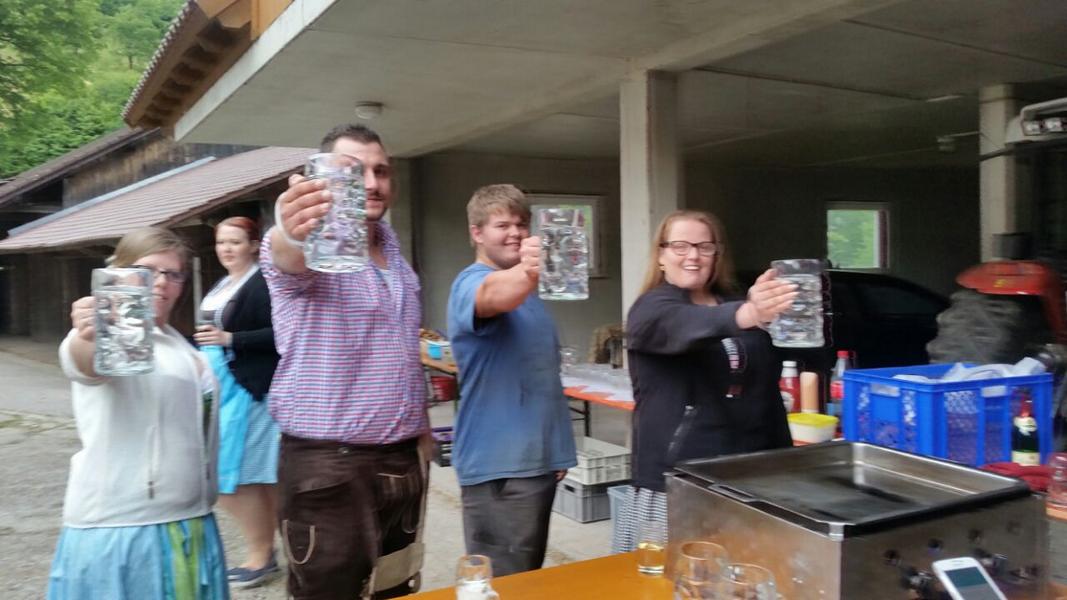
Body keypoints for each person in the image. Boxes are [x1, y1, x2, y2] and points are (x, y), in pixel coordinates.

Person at [263, 123, 428, 599]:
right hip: (327, 467)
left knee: (395, 591)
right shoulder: (316, 247)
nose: (372, 183)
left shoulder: (395, 255)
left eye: (382, 171)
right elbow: (285, 252)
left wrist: (419, 432)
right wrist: (290, 226)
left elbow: (397, 351)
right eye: (354, 172)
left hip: (400, 461)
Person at [49, 227, 227, 599]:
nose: (161, 282)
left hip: (190, 520)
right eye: (146, 271)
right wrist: (88, 335)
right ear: (118, 272)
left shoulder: (181, 345)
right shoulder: (111, 338)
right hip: (122, 527)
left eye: (173, 274)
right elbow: (84, 364)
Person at [612, 210, 797, 553]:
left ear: (717, 254)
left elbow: (766, 393)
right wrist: (748, 314)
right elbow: (684, 325)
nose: (693, 256)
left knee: (745, 570)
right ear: (661, 255)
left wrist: (783, 462)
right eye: (680, 246)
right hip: (677, 480)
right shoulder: (651, 309)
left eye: (704, 246)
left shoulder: (733, 303)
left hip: (746, 475)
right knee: (673, 574)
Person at [446, 184, 577, 576]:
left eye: (521, 224)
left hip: (533, 462)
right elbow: (491, 295)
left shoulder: (527, 293)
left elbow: (537, 374)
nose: (515, 233)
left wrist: (555, 452)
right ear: (476, 233)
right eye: (502, 225)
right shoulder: (471, 282)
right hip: (499, 468)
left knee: (526, 577)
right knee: (504, 584)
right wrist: (529, 270)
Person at [193, 216, 281, 588]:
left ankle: (261, 554)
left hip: (248, 388)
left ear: (254, 245)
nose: (226, 249)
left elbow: (282, 333)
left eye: (235, 242)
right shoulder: (223, 283)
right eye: (221, 243)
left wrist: (231, 339)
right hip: (221, 386)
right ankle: (271, 550)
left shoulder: (263, 283)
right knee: (252, 475)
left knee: (237, 475)